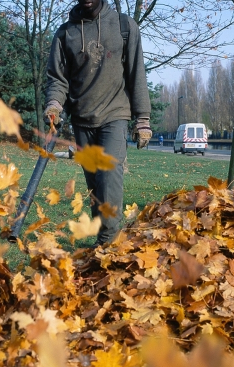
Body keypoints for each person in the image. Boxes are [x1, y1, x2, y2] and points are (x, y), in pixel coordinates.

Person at [44, 0, 152, 247]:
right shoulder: (65, 33)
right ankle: (104, 240)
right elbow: (57, 79)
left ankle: (108, 243)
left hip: (115, 114)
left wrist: (143, 118)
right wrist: (54, 103)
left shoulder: (124, 26)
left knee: (108, 176)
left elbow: (137, 73)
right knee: (95, 184)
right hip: (83, 118)